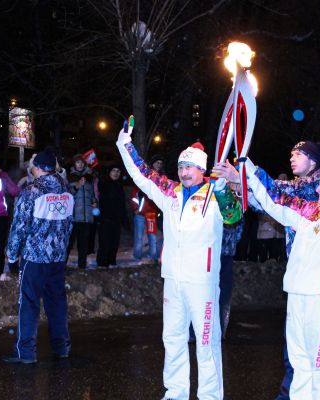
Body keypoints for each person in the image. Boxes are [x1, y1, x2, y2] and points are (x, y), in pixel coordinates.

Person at [116, 123, 241, 400]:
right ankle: (176, 392)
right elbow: (142, 174)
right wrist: (124, 144)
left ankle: (210, 395)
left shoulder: (215, 193)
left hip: (202, 281)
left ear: (201, 170)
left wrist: (222, 189)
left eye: (190, 168)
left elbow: (234, 217)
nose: (184, 172)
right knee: (172, 338)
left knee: (207, 342)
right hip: (173, 278)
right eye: (181, 167)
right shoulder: (170, 193)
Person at [243, 111, 320, 400]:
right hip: (297, 293)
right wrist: (249, 170)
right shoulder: (308, 214)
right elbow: (275, 202)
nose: (317, 187)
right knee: (300, 362)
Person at [213, 139, 320, 400]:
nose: (292, 158)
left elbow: (279, 193)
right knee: (294, 346)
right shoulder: (299, 186)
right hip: (298, 275)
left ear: (313, 160)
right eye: (291, 153)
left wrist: (245, 173)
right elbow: (267, 201)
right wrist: (239, 182)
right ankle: (289, 394)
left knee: (318, 352)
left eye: (298, 154)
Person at [3, 150, 74, 364]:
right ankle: (62, 348)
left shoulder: (31, 191)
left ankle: (26, 353)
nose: (31, 168)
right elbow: (69, 225)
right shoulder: (67, 189)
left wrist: (12, 255)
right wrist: (61, 249)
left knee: (29, 303)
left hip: (34, 258)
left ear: (40, 168)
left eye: (33, 165)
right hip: (57, 258)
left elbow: (19, 227)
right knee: (57, 303)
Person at [68, 154, 97, 269]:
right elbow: (67, 196)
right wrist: (77, 186)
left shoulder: (89, 177)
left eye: (81, 162)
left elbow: (92, 195)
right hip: (73, 217)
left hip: (86, 217)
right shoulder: (70, 177)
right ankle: (62, 265)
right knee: (68, 244)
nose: (80, 164)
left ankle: (82, 266)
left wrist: (94, 202)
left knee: (83, 244)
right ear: (74, 164)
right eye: (77, 162)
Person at [96, 165, 128, 267]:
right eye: (113, 170)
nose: (116, 173)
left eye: (118, 171)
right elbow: (99, 189)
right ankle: (102, 263)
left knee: (115, 242)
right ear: (109, 172)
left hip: (117, 220)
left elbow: (122, 204)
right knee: (105, 242)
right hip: (105, 219)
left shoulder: (119, 185)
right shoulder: (103, 183)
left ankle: (112, 261)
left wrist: (124, 219)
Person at [130, 187, 160, 262]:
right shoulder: (138, 185)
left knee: (152, 236)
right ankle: (137, 256)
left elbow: (158, 199)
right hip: (140, 214)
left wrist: (157, 212)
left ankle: (153, 256)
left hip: (151, 214)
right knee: (139, 236)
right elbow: (134, 198)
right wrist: (135, 209)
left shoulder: (154, 185)